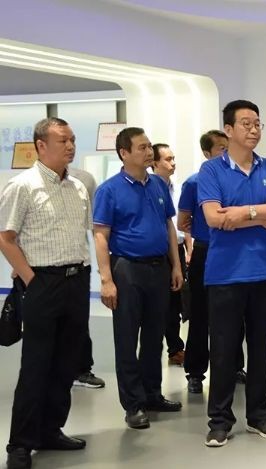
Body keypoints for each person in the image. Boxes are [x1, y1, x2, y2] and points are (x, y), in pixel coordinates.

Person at [197, 100, 266, 447]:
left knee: (261, 350)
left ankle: (260, 416)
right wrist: (263, 218)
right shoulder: (211, 170)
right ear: (229, 129)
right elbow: (213, 218)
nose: (254, 130)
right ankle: (220, 420)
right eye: (246, 124)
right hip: (225, 274)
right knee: (223, 351)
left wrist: (244, 213)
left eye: (257, 124)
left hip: (263, 271)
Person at [0, 118, 92, 469]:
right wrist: (30, 278)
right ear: (41, 145)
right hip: (43, 282)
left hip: (76, 281)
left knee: (66, 363)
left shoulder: (78, 187)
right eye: (63, 140)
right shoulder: (23, 186)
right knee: (36, 365)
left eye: (73, 140)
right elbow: (5, 237)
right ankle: (20, 444)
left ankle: (50, 430)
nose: (70, 146)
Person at [93, 127, 184, 430]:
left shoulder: (157, 184)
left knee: (155, 336)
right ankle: (133, 405)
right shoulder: (109, 190)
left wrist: (176, 265)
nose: (149, 152)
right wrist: (107, 280)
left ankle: (152, 394)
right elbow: (101, 236)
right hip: (127, 269)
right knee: (127, 338)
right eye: (142, 148)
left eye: (149, 147)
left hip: (159, 267)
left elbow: (169, 225)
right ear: (124, 153)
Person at [177, 130, 246, 395]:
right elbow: (183, 221)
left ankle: (235, 366)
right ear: (207, 153)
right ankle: (195, 372)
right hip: (206, 252)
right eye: (220, 148)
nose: (226, 152)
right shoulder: (194, 183)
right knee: (200, 314)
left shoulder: (239, 179)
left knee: (236, 313)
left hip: (235, 252)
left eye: (228, 147)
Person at [151, 143, 190, 366]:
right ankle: (167, 348)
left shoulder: (175, 187)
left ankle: (176, 348)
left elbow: (183, 222)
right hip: (161, 251)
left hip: (178, 248)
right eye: (167, 159)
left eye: (173, 158)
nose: (173, 163)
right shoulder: (151, 188)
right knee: (163, 302)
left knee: (177, 299)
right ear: (154, 163)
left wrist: (188, 249)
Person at [68, 164, 106, 389]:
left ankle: (81, 370)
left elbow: (95, 226)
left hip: (79, 263)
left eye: (71, 145)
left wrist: (104, 265)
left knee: (79, 320)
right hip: (41, 269)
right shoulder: (26, 183)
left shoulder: (84, 180)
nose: (69, 148)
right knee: (44, 326)